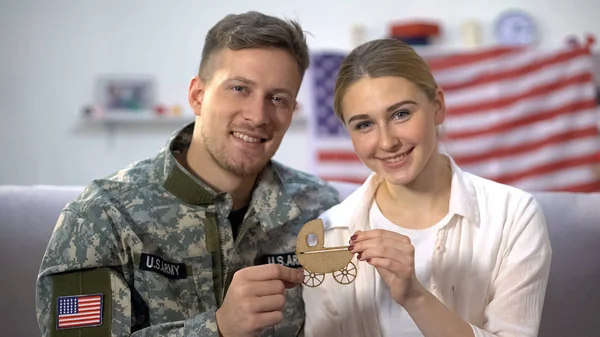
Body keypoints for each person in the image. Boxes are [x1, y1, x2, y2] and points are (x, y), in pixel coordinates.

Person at [36, 11, 341, 337]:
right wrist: (218, 328)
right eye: (239, 88)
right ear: (198, 96)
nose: (257, 115)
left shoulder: (320, 209)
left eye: (277, 98)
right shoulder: (101, 216)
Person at [302, 38, 552, 337]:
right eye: (364, 124)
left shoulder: (514, 215)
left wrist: (415, 297)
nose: (386, 142)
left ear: (438, 106)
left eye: (400, 114)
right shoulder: (329, 234)